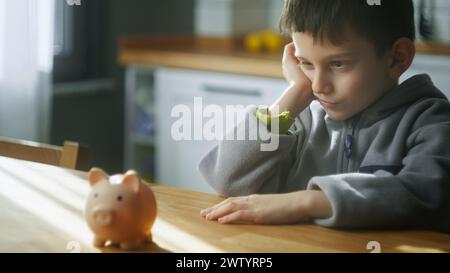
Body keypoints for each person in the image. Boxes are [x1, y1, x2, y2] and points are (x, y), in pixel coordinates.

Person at [198, 0, 450, 232]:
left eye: (338, 64)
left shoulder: (431, 121)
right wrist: (295, 93)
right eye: (305, 63)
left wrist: (306, 201)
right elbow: (228, 180)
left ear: (397, 58)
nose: (318, 86)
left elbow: (425, 195)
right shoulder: (301, 120)